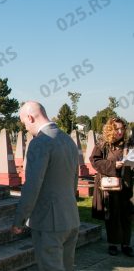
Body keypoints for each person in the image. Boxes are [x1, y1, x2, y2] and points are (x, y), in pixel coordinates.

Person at [12, 101, 80, 271]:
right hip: (70, 216)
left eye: (24, 122)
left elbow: (32, 185)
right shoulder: (67, 140)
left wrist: (20, 219)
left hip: (48, 221)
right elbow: (74, 179)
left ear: (30, 117)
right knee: (67, 266)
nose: (26, 127)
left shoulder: (40, 142)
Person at [90, 117, 133, 257]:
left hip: (127, 184)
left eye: (122, 128)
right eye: (117, 129)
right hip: (111, 185)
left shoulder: (129, 143)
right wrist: (113, 165)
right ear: (110, 129)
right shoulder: (103, 144)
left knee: (127, 215)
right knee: (113, 214)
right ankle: (113, 244)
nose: (120, 132)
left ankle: (126, 244)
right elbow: (95, 161)